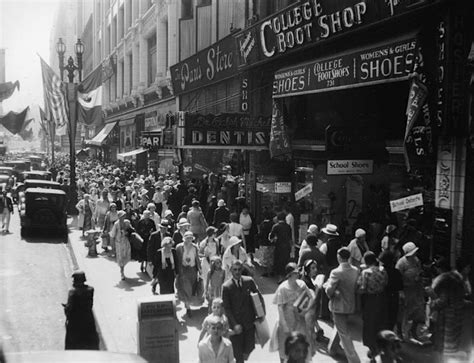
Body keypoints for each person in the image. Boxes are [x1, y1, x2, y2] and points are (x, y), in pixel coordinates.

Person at [222, 260, 265, 363]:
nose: (237, 272)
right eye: (235, 270)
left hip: (249, 323)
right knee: (238, 353)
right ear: (231, 271)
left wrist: (261, 314)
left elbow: (258, 298)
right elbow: (227, 308)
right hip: (236, 326)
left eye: (239, 269)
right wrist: (234, 324)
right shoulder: (226, 287)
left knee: (249, 348)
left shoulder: (249, 281)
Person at [271, 263, 315, 363]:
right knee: (285, 349)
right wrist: (284, 325)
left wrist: (306, 310)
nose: (298, 274)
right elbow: (280, 308)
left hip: (300, 321)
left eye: (298, 271)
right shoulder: (283, 288)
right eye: (295, 272)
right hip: (287, 320)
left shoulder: (302, 285)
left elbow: (311, 297)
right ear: (289, 274)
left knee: (301, 348)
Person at [324, 247, 360, 363]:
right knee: (340, 327)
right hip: (350, 304)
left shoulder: (336, 272)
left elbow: (330, 290)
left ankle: (354, 359)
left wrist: (326, 287)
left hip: (338, 305)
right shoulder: (355, 270)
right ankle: (332, 349)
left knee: (344, 333)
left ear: (339, 257)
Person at [429, 269, 469, 361]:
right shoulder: (460, 286)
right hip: (458, 315)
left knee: (447, 343)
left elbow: (442, 302)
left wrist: (432, 303)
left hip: (447, 317)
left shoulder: (445, 288)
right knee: (456, 340)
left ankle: (447, 359)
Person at [358, 251, 388, 360]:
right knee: (378, 323)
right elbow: (385, 283)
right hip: (381, 298)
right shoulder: (382, 270)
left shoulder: (366, 272)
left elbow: (362, 289)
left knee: (369, 324)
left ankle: (372, 349)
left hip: (370, 300)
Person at [395, 242, 425, 341]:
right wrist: (400, 291)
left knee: (417, 310)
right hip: (405, 290)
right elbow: (397, 278)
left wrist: (418, 277)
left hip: (415, 289)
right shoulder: (401, 263)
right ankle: (399, 332)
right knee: (402, 312)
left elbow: (419, 270)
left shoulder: (416, 260)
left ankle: (413, 330)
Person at [62, 271, 99, 350]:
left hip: (75, 322)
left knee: (72, 344)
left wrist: (66, 308)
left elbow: (69, 308)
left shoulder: (72, 292)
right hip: (88, 319)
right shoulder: (91, 290)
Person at [176, 230, 202, 317]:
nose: (189, 240)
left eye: (191, 238)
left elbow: (197, 258)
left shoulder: (195, 247)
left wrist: (199, 269)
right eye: (187, 238)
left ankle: (187, 304)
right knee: (187, 289)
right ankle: (188, 308)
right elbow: (177, 260)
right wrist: (177, 272)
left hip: (193, 270)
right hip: (183, 270)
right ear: (184, 239)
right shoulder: (179, 247)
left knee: (191, 289)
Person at [301, 259, 326, 344]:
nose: (315, 270)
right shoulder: (305, 282)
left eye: (316, 268)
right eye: (313, 268)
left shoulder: (308, 279)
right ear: (307, 270)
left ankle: (318, 329)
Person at [378, 251, 403, 332]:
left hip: (382, 297)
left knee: (382, 320)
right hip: (394, 298)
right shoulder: (396, 272)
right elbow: (400, 287)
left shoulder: (380, 272)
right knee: (391, 321)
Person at [199, 226, 222, 294]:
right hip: (206, 263)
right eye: (214, 233)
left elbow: (218, 252)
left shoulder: (217, 241)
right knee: (206, 279)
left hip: (215, 262)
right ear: (211, 234)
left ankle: (215, 293)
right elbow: (199, 253)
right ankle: (207, 293)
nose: (216, 234)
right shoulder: (203, 243)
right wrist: (205, 255)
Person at [109, 211, 132, 280]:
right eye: (122, 216)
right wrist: (112, 244)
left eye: (124, 216)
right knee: (120, 257)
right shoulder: (116, 224)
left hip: (126, 241)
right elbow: (112, 234)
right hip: (119, 242)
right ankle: (122, 271)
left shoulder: (127, 222)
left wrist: (128, 231)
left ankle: (123, 267)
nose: (123, 217)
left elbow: (131, 229)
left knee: (127, 255)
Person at [269, 212, 293, 277]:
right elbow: (290, 238)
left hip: (279, 246)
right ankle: (286, 275)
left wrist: (274, 240)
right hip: (287, 246)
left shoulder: (276, 226)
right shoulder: (288, 226)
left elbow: (271, 237)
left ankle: (280, 277)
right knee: (285, 261)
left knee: (279, 261)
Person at [257, 212, 275, 277]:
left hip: (264, 243)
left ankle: (265, 272)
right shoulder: (273, 224)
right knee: (271, 257)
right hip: (271, 243)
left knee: (264, 258)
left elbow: (260, 233)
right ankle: (271, 271)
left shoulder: (262, 224)